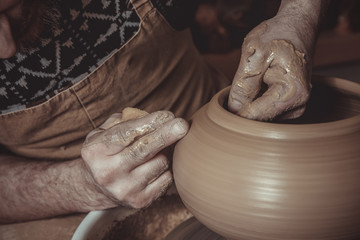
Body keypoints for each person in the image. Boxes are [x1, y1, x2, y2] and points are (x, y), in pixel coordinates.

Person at [0, 0, 328, 223]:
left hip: (230, 158)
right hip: (54, 204)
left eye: (10, 9)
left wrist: (298, 16)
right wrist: (82, 185)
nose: (6, 48)